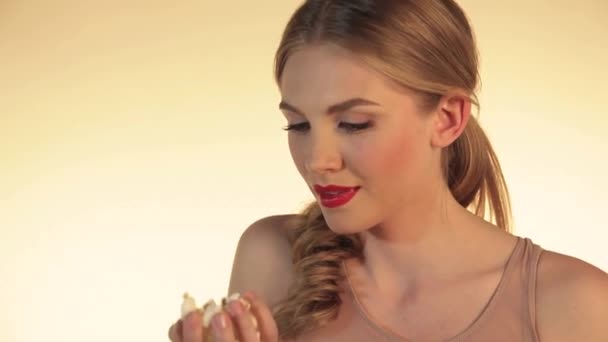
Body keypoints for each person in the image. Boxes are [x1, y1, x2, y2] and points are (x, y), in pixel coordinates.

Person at [169, 0, 608, 341]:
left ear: (447, 118)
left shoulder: (571, 304)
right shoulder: (272, 257)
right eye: (299, 124)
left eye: (354, 123)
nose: (316, 159)